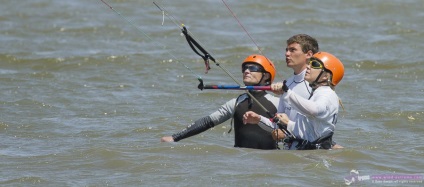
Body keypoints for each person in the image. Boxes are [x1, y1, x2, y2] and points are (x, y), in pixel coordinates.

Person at [160, 54, 280, 150]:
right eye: (245, 68)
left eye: (253, 68)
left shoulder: (278, 102)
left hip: (268, 162)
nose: (246, 71)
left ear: (266, 76)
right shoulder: (236, 103)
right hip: (241, 161)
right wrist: (174, 138)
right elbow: (208, 121)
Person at [245, 52, 344, 150]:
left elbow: (314, 109)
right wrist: (259, 119)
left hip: (314, 157)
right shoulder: (316, 94)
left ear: (326, 76)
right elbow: (301, 131)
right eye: (309, 63)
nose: (308, 66)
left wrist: (287, 92)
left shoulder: (327, 94)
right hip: (304, 154)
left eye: (314, 64)